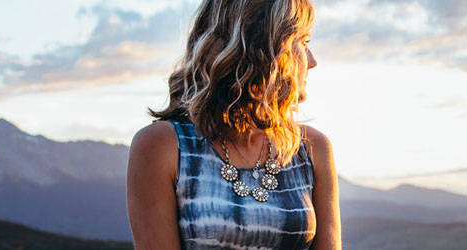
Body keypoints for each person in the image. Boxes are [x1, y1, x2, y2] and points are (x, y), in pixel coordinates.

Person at [126, 0, 339, 249]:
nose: (312, 61)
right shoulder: (163, 146)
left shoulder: (311, 149)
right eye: (303, 42)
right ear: (263, 45)